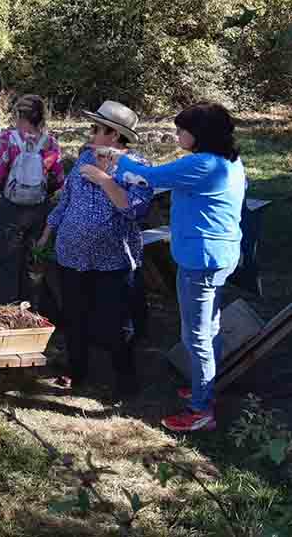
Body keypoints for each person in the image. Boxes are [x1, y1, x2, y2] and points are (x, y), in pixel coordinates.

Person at [104, 103, 245, 432]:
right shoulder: (229, 161)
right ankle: (205, 385)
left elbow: (147, 178)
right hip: (219, 254)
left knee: (195, 335)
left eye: (182, 130)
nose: (177, 134)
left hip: (201, 258)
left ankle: (200, 409)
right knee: (210, 327)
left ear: (200, 135)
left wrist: (115, 158)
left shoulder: (201, 165)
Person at [37, 101, 153, 399]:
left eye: (96, 129)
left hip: (111, 259)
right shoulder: (84, 157)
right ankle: (77, 371)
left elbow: (135, 211)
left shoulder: (135, 167)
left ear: (114, 135)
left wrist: (104, 179)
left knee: (115, 321)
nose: (90, 133)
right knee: (74, 316)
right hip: (72, 254)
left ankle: (125, 380)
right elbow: (66, 200)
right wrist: (48, 230)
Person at [0, 94, 65, 303]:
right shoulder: (50, 143)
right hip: (38, 209)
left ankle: (7, 309)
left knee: (7, 261)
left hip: (11, 209)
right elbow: (58, 180)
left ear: (19, 114)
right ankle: (31, 308)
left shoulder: (8, 139)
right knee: (32, 261)